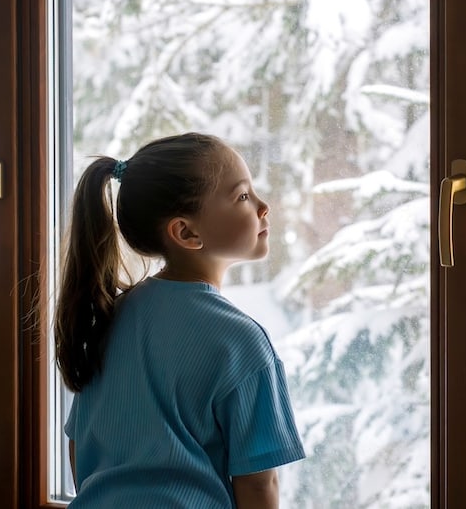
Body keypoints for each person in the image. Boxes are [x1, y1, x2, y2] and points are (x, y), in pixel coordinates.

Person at [53, 132, 305, 508]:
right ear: (186, 232)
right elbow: (259, 485)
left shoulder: (109, 317)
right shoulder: (240, 341)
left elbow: (78, 448)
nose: (263, 206)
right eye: (242, 196)